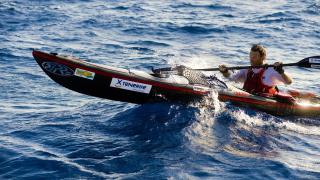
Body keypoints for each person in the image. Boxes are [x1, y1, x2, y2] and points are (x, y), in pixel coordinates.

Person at [219, 44, 293, 96]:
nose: (251, 58)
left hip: (265, 102)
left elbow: (289, 82)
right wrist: (225, 72)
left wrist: (281, 72)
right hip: (247, 101)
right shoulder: (247, 69)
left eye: (255, 56)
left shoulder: (271, 70)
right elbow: (232, 77)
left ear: (262, 57)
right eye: (251, 55)